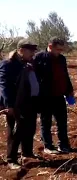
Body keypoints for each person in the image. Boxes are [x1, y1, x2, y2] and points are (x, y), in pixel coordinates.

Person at [0, 39, 39, 169]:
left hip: (29, 102)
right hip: (15, 104)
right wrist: (8, 105)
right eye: (30, 51)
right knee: (15, 131)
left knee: (30, 128)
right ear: (21, 50)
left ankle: (27, 152)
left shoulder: (27, 63)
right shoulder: (8, 64)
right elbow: (4, 86)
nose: (33, 54)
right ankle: (11, 159)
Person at [33, 36, 74, 154]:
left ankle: (64, 145)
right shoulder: (39, 58)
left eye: (61, 50)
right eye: (58, 49)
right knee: (46, 122)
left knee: (62, 121)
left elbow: (65, 75)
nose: (60, 52)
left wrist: (69, 89)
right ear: (50, 47)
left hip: (59, 96)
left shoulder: (62, 59)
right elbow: (34, 78)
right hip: (45, 97)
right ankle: (48, 146)